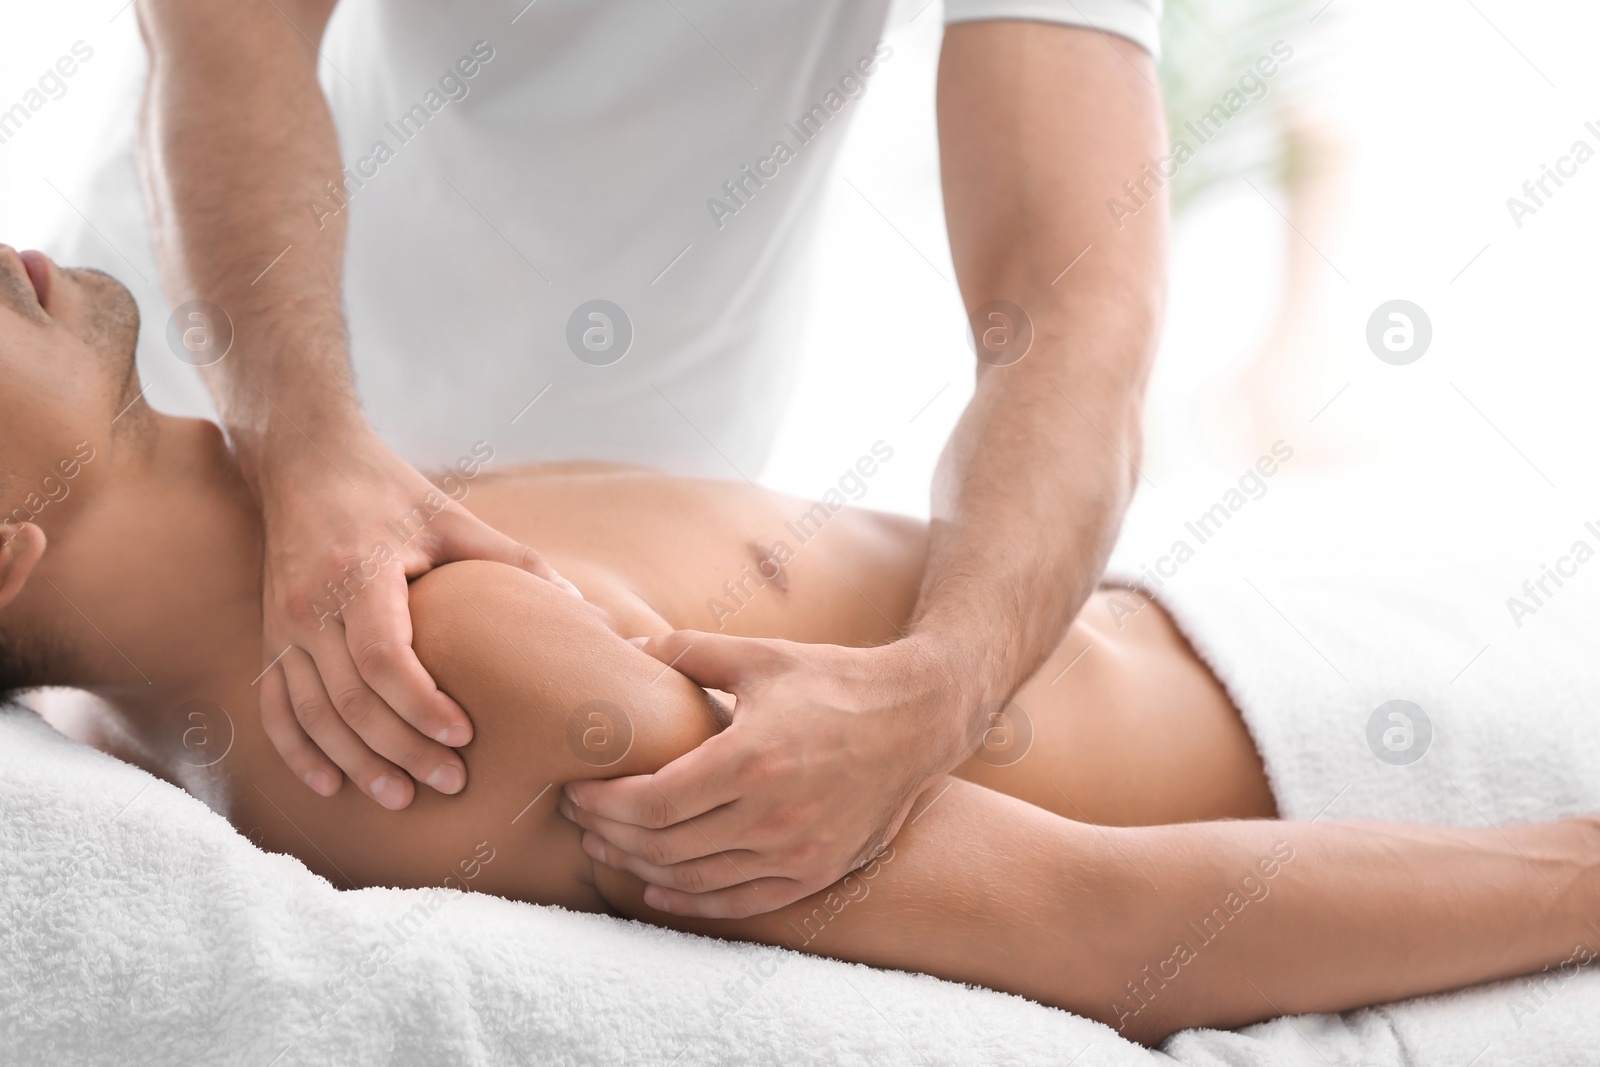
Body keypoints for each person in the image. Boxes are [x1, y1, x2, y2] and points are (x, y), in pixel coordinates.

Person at [4, 247, 1597, 1045]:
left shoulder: (256, 612)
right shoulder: (423, 689)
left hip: (1297, 630)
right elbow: (1103, 920)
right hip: (1386, 755)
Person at [123, 0, 1170, 916]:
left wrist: (946, 686)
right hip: (232, 406)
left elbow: (1073, 310)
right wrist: (304, 445)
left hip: (615, 510)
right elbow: (223, 30)